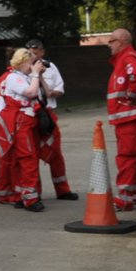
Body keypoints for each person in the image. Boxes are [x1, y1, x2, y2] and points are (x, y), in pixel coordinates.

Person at [0, 47, 45, 212]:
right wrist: (35, 74)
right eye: (30, 62)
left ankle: (22, 195)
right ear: (22, 62)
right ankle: (30, 198)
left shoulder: (22, 77)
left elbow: (41, 94)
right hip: (21, 123)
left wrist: (36, 75)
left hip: (25, 122)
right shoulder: (14, 77)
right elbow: (31, 92)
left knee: (22, 160)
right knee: (28, 159)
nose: (33, 65)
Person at [25, 39, 78, 201]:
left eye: (35, 51)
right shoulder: (22, 69)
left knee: (55, 152)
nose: (32, 54)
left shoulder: (50, 67)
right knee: (31, 154)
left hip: (47, 113)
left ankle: (62, 190)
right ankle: (35, 192)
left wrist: (50, 91)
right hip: (30, 114)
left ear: (42, 52)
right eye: (29, 51)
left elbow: (59, 90)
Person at [106, 28, 136, 211]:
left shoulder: (128, 57)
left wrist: (132, 93)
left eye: (111, 41)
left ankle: (124, 198)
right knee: (135, 155)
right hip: (128, 115)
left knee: (127, 156)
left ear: (121, 41)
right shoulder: (124, 59)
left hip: (129, 115)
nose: (109, 45)